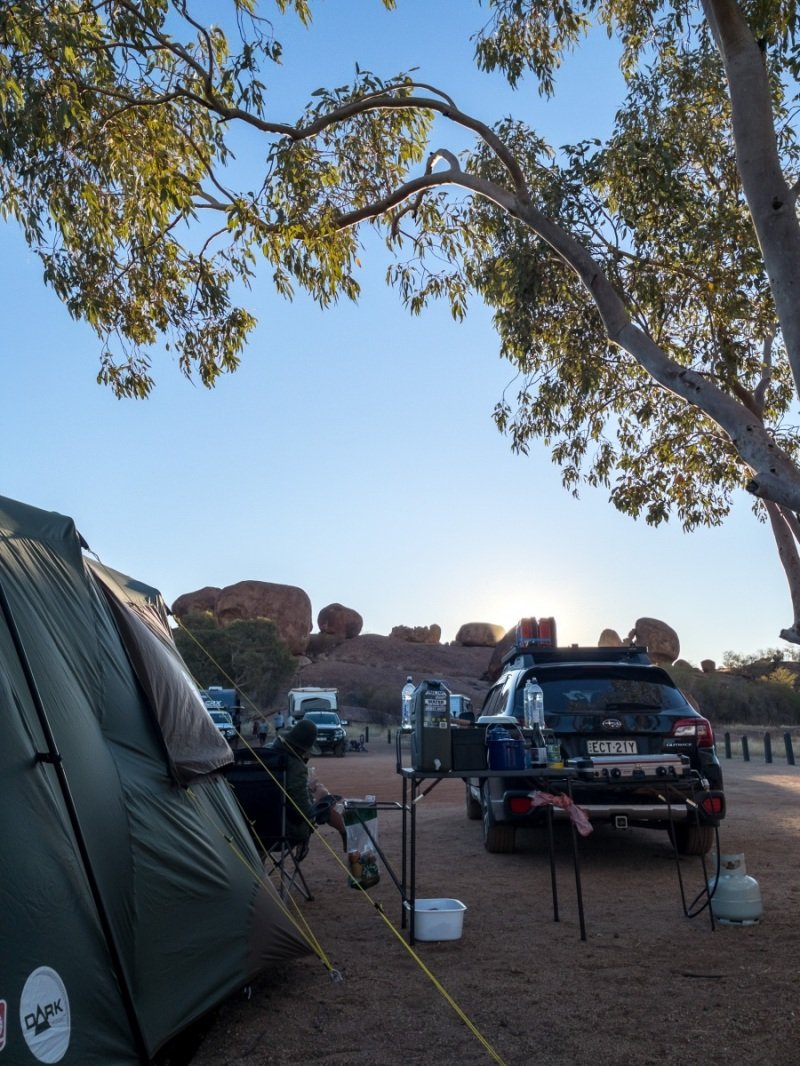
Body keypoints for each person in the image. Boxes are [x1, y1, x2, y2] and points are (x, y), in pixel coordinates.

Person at [272, 720, 346, 848]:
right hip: (286, 828)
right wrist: (314, 795)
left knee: (318, 793)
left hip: (255, 827)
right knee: (323, 794)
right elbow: (304, 811)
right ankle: (345, 833)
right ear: (302, 748)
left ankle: (345, 833)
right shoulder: (294, 765)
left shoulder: (267, 755)